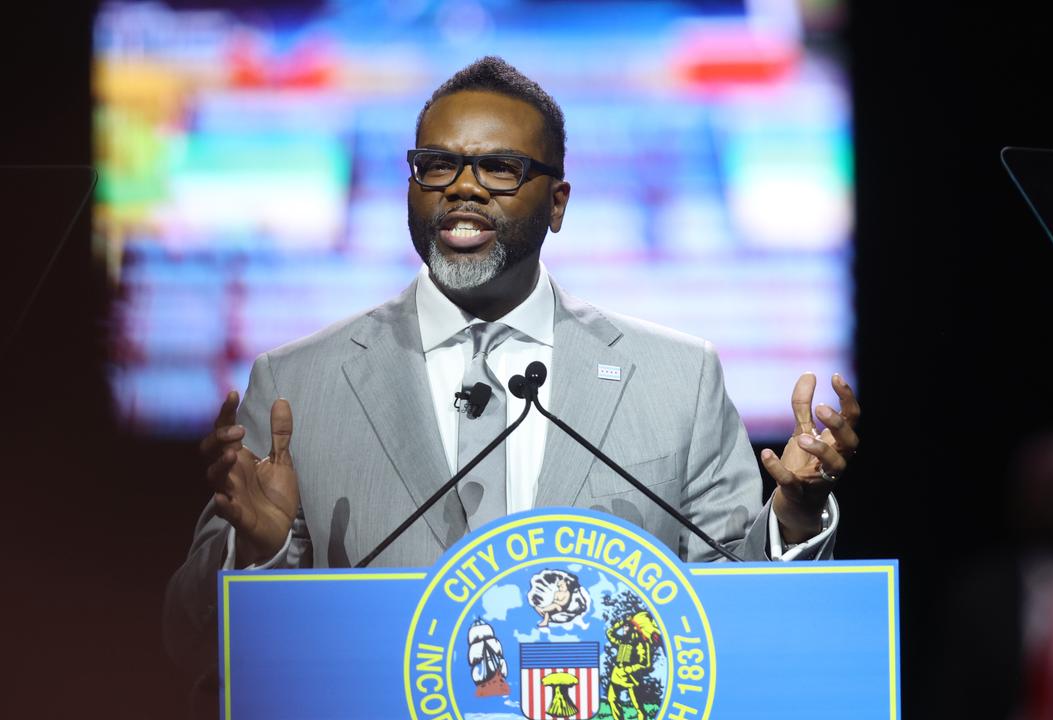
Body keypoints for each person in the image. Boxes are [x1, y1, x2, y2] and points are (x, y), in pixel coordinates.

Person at [163, 56, 861, 676]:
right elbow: (188, 644)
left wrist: (794, 517)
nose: (463, 189)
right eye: (438, 165)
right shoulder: (298, 389)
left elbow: (744, 624)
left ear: (557, 203)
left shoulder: (677, 380)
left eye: (500, 168)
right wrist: (257, 556)